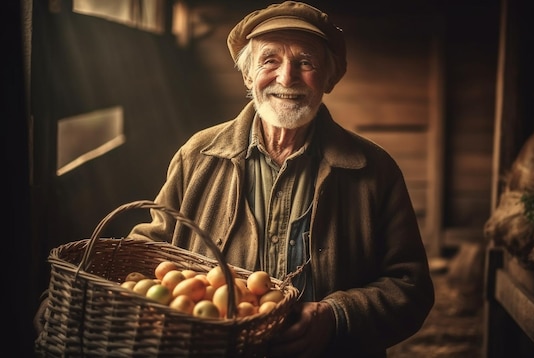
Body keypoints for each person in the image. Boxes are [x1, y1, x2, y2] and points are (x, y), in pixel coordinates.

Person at [38, 1, 435, 356]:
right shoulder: (199, 154)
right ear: (248, 77)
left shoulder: (373, 170)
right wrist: (88, 296)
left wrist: (334, 317)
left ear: (329, 79)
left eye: (306, 62)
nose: (286, 77)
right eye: (269, 61)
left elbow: (410, 288)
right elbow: (151, 252)